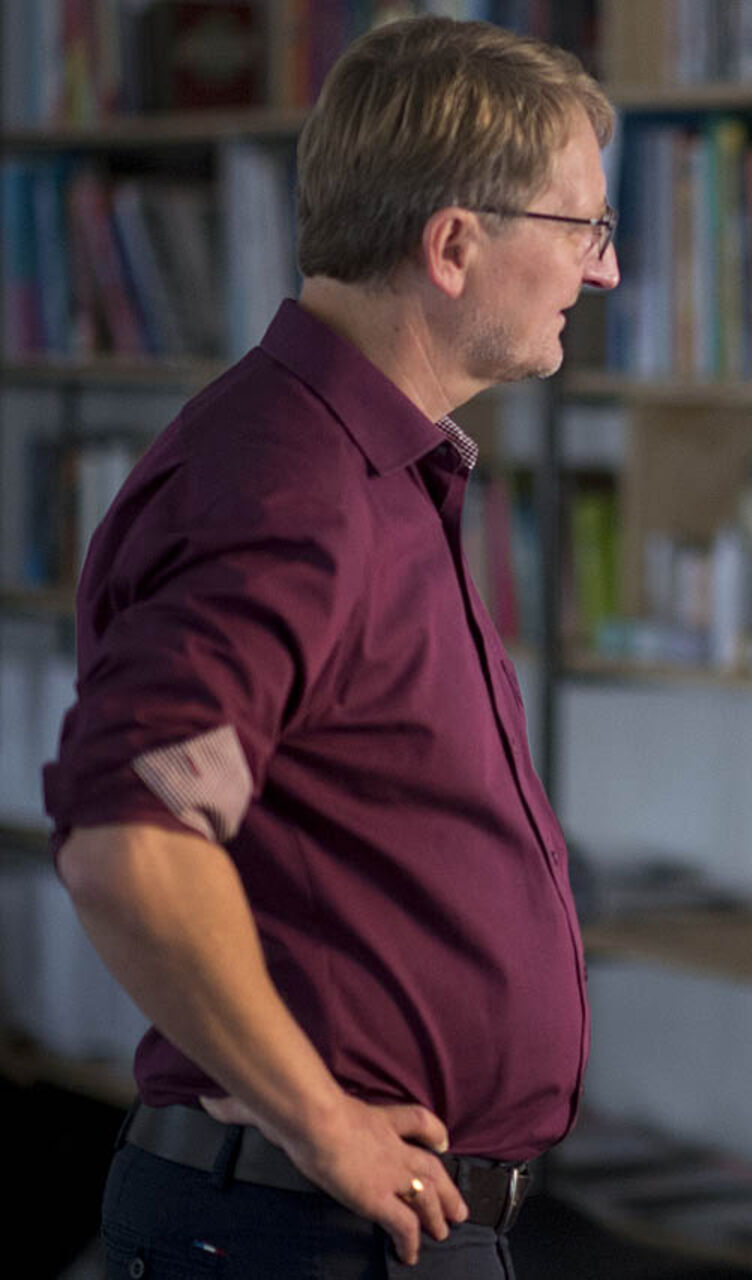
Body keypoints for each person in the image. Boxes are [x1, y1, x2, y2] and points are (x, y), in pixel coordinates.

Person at [42, 16, 617, 1276]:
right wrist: (324, 1122)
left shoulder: (369, 468)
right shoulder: (287, 483)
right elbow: (132, 838)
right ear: (453, 246)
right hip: (299, 1226)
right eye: (585, 229)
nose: (606, 271)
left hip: (363, 1221)